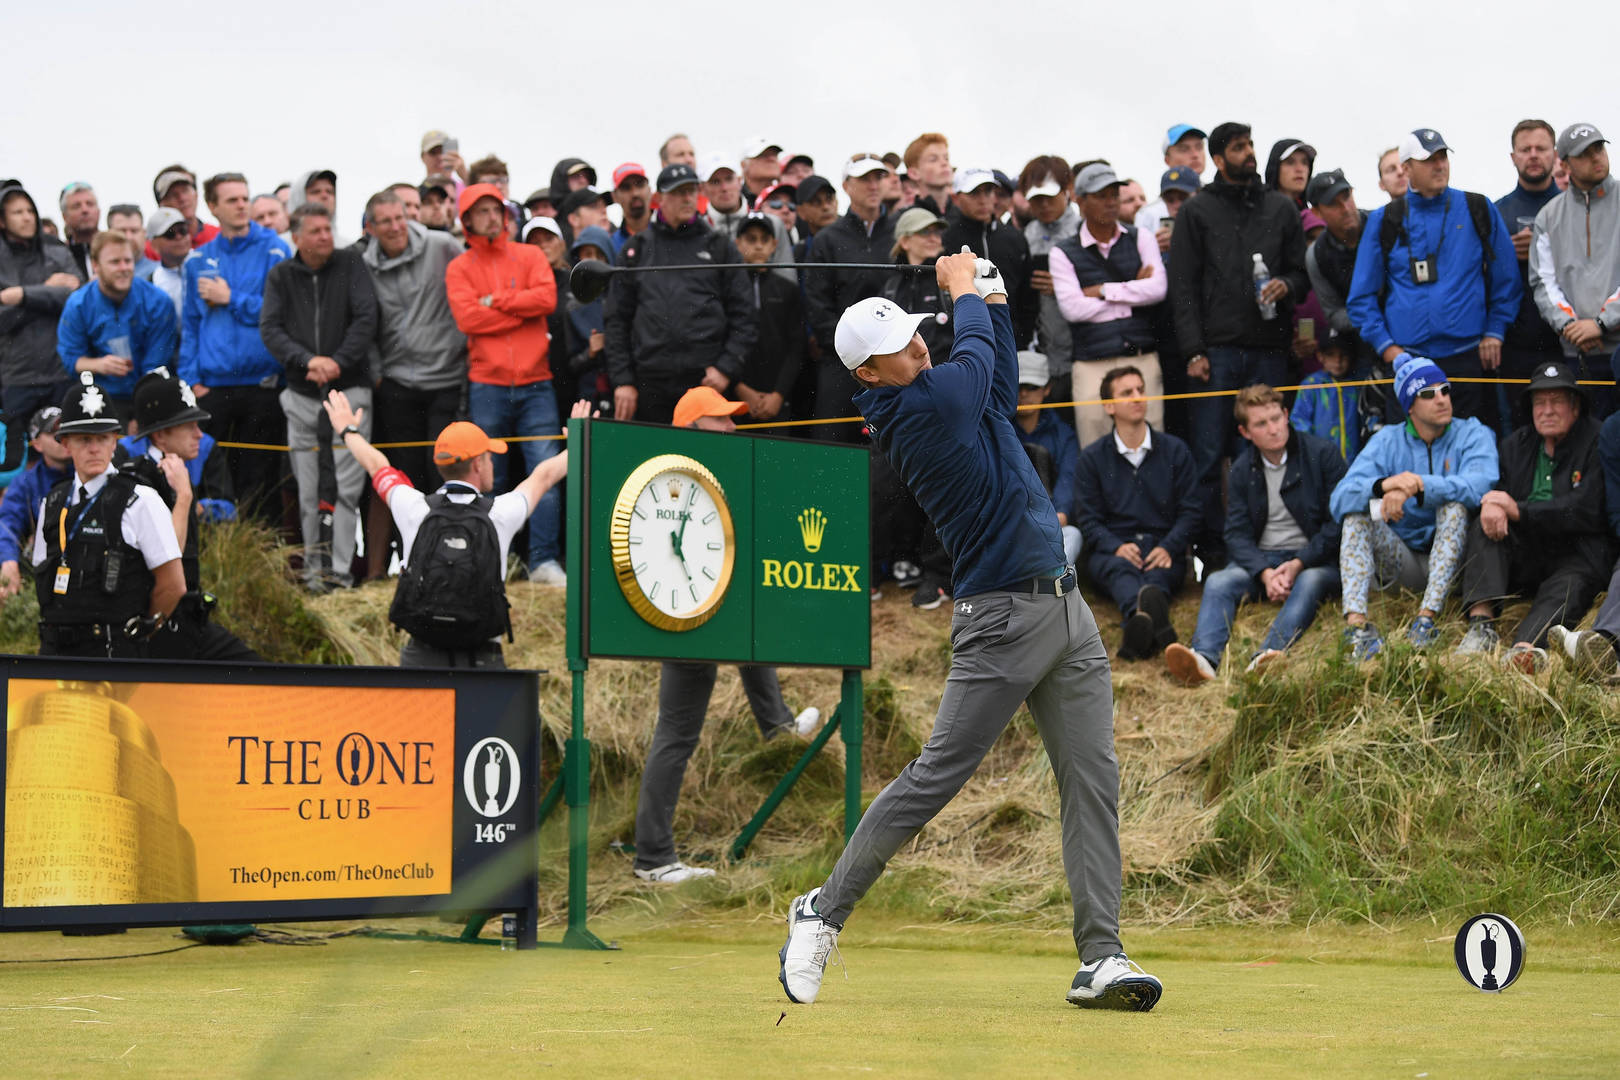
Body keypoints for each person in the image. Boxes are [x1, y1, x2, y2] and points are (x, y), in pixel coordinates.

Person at [778, 252, 1162, 1012]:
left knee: (1092, 782)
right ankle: (821, 913)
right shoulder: (915, 410)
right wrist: (963, 291)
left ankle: (1102, 958)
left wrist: (988, 287)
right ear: (869, 375)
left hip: (1066, 610)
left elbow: (996, 349)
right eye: (902, 348)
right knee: (934, 780)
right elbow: (979, 355)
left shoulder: (946, 388)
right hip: (1000, 620)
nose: (920, 346)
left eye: (920, 336)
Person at [634, 386, 821, 884]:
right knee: (675, 735)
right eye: (721, 420)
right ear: (692, 429)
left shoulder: (724, 474)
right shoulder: (675, 479)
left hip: (717, 608)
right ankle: (653, 858)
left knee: (750, 632)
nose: (733, 428)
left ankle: (776, 725)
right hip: (686, 615)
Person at [322, 389, 570, 669]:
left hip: (421, 656)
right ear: (477, 463)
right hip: (482, 658)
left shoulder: (412, 507)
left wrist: (347, 430)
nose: (491, 464)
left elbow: (376, 465)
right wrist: (579, 443)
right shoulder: (501, 513)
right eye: (489, 457)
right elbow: (544, 477)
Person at [1169, 122, 1308, 566]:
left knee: (1267, 450)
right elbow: (1183, 286)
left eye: (1250, 145)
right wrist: (1193, 350)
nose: (1248, 153)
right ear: (1217, 158)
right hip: (1216, 353)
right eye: (1238, 147)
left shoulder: (1280, 209)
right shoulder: (1196, 212)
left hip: (1269, 351)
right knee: (1210, 456)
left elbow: (1301, 275)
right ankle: (1212, 557)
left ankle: (1268, 547)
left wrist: (1285, 284)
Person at [1165, 384, 1345, 683]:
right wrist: (1264, 573)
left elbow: (1338, 523)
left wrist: (1299, 563)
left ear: (1287, 415)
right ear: (1246, 432)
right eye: (1261, 423)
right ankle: (1203, 660)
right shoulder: (1241, 469)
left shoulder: (1321, 454)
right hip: (1265, 560)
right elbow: (1236, 534)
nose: (1274, 429)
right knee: (1219, 581)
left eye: (1276, 418)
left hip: (1313, 559)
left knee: (1311, 580)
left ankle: (1265, 657)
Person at [1329, 353, 1498, 658]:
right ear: (1409, 406)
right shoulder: (1387, 441)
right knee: (1359, 515)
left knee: (1454, 507)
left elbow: (1481, 485)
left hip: (1458, 565)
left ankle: (1426, 620)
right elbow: (1339, 499)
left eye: (1445, 390)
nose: (1442, 400)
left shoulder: (1473, 432)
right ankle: (1357, 627)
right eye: (1428, 394)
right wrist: (1383, 486)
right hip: (1402, 563)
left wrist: (1419, 485)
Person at [1346, 129, 1520, 425]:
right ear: (1407, 168)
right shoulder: (1384, 220)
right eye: (1428, 160)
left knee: (1471, 449)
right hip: (1408, 361)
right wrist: (1387, 348)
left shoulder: (1477, 207)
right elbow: (1360, 297)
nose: (1439, 165)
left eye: (1442, 157)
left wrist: (1495, 330)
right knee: (1409, 456)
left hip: (1468, 358)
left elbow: (1507, 280)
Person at [1453, 361, 1609, 671]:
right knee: (1486, 524)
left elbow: (1588, 507)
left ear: (1575, 406)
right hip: (1527, 551)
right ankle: (1481, 626)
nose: (1547, 410)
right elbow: (1500, 495)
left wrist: (1518, 510)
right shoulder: (1516, 445)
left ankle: (1525, 649)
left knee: (1570, 582)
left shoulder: (1597, 440)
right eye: (1540, 402)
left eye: (1557, 401)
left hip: (1575, 551)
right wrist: (1494, 504)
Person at [445, 183, 564, 585]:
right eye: (481, 211)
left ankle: (543, 561)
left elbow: (546, 300)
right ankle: (494, 559)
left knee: (544, 469)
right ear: (467, 221)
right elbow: (467, 320)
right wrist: (519, 307)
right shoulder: (460, 268)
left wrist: (495, 301)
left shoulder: (530, 254)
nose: (492, 217)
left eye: (495, 209)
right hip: (488, 384)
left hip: (536, 382)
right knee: (486, 475)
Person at [260, 203, 379, 591]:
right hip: (301, 393)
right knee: (308, 490)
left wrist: (337, 363)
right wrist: (307, 360)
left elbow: (366, 318)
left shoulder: (351, 264)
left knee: (347, 489)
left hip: (350, 391)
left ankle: (340, 577)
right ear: (296, 237)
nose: (325, 236)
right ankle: (315, 577)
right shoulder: (281, 275)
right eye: (315, 231)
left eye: (327, 229)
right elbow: (271, 328)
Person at [31, 373, 185, 658]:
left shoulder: (141, 500)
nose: (94, 448)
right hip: (55, 652)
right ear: (66, 444)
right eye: (84, 438)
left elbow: (173, 585)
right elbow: (42, 575)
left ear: (115, 441)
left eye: (103, 438)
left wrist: (139, 633)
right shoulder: (52, 502)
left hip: (114, 652)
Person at [360, 188, 468, 577]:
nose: (395, 227)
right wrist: (375, 373)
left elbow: (468, 286)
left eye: (400, 217)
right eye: (385, 221)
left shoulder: (442, 246)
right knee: (405, 477)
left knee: (440, 469)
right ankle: (410, 563)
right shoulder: (364, 265)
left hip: (446, 376)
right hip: (397, 382)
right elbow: (364, 321)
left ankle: (445, 560)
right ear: (370, 227)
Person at [117, 368, 259, 661]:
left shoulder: (174, 470)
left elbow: (229, 510)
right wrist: (183, 498)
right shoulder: (141, 481)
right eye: (188, 426)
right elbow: (169, 558)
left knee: (254, 673)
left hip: (188, 617)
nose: (199, 434)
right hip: (163, 623)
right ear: (161, 435)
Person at [604, 163, 755, 428]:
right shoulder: (636, 250)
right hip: (650, 383)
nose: (687, 198)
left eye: (691, 190)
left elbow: (744, 314)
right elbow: (617, 320)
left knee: (707, 463)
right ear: (660, 197)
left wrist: (725, 368)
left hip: (706, 380)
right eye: (678, 192)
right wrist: (623, 380)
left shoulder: (719, 246)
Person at [180, 172, 293, 524]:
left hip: (262, 385)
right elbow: (191, 325)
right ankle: (221, 561)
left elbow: (281, 314)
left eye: (244, 198)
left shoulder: (275, 249)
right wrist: (191, 381)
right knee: (216, 479)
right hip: (213, 388)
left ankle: (261, 563)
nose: (242, 205)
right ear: (212, 207)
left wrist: (232, 299)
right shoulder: (198, 260)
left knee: (261, 481)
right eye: (232, 200)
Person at [1073, 365, 1200, 659]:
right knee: (1120, 572)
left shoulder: (1175, 451)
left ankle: (1138, 624)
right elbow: (1088, 519)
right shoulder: (1092, 459)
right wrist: (1115, 546)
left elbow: (1192, 510)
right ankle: (1153, 620)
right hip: (1113, 550)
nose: (1137, 397)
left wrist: (1169, 546)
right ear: (1109, 406)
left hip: (1162, 547)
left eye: (1141, 390)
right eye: (1127, 392)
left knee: (1159, 574)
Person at [1051, 163, 1167, 447]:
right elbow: (1072, 309)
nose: (1111, 201)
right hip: (1092, 362)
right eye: (1101, 195)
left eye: (1114, 194)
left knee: (1151, 446)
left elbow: (1157, 290)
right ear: (1080, 200)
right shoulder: (1062, 252)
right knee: (1094, 447)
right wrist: (1132, 295)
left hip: (1140, 357)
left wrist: (1102, 291)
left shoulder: (1142, 237)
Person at [803, 156, 899, 441]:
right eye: (864, 179)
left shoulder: (899, 234)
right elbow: (817, 308)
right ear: (846, 186)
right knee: (834, 446)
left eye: (877, 178)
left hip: (893, 362)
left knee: (890, 451)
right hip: (841, 362)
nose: (872, 185)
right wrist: (858, 349)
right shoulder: (828, 240)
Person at [1530, 123, 1620, 423]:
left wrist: (1601, 324)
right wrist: (1571, 326)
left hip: (1616, 343)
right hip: (1577, 353)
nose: (1597, 157)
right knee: (1589, 446)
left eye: (1599, 148)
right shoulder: (1549, 216)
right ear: (1565, 164)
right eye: (1585, 153)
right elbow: (1543, 282)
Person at [2, 179, 82, 471]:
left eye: (29, 211)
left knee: (65, 453)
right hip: (17, 377)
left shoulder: (56, 251)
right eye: (17, 212)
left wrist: (22, 295)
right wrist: (48, 292)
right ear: (2, 219)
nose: (26, 218)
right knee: (14, 462)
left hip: (59, 371)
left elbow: (76, 294)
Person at [56, 231, 179, 417]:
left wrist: (142, 413)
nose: (124, 268)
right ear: (96, 265)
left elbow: (156, 363)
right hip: (100, 395)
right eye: (115, 262)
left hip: (151, 390)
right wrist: (99, 365)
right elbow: (71, 359)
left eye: (128, 261)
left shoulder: (158, 301)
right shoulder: (79, 304)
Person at [1496, 120, 1566, 428]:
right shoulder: (1496, 213)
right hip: (1515, 344)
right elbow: (1483, 276)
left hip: (1567, 340)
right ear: (1513, 157)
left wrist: (1545, 249)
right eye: (1525, 149)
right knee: (1520, 430)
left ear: (1556, 154)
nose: (1533, 155)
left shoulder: (1573, 208)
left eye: (1541, 148)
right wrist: (1506, 255)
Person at [943, 167, 1036, 347]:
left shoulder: (1014, 237)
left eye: (988, 191)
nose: (983, 200)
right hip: (960, 341)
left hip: (1009, 340)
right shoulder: (945, 238)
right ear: (956, 198)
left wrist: (1021, 338)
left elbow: (1027, 296)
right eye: (974, 193)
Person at [732, 214, 805, 423]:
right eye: (751, 239)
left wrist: (779, 393)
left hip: (777, 397)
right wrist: (739, 388)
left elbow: (796, 345)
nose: (758, 246)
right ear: (738, 243)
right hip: (737, 395)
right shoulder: (728, 288)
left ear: (774, 245)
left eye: (764, 240)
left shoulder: (787, 289)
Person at [1014, 350, 1082, 564]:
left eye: (1032, 387)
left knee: (1073, 535)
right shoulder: (997, 428)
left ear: (1047, 389)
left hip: (1052, 523)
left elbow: (1068, 479)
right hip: (1008, 523)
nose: (1024, 393)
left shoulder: (1064, 434)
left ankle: (1050, 582)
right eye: (1018, 386)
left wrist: (1059, 514)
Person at [0, 407, 70, 600]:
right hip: (44, 567)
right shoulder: (25, 483)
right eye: (52, 432)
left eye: (64, 430)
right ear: (37, 443)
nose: (61, 437)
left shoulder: (92, 470)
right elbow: (7, 525)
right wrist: (8, 561)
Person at [1020, 156, 1081, 365]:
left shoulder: (1085, 230)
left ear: (1067, 190)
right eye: (1037, 198)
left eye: (1050, 196)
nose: (1044, 205)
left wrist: (1065, 287)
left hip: (1081, 345)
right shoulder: (1026, 234)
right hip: (1041, 346)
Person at [1289, 331, 1361, 460]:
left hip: (1354, 461)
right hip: (1321, 460)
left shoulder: (1356, 384)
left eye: (1343, 355)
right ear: (1320, 356)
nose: (1337, 361)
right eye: (1331, 355)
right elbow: (1299, 421)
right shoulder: (1311, 385)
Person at [1135, 124, 1207, 240]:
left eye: (1199, 147)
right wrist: (1153, 248)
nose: (1195, 155)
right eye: (1184, 149)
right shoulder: (1148, 214)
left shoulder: (1219, 201)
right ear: (1167, 159)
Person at [151, 165, 220, 253]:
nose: (182, 198)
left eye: (185, 190)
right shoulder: (151, 250)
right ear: (161, 205)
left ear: (196, 194)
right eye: (173, 194)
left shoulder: (219, 236)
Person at [143, 207, 190, 318]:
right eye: (170, 233)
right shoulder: (152, 282)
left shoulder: (209, 265)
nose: (178, 237)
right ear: (153, 245)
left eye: (182, 230)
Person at [902, 132, 953, 215]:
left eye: (946, 158)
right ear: (914, 173)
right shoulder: (904, 220)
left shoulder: (968, 216)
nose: (944, 163)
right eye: (933, 159)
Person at [58, 182, 100, 279]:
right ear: (65, 217)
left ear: (98, 211)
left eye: (90, 204)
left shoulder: (116, 249)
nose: (85, 210)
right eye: (76, 206)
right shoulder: (57, 257)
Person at [609, 163, 651, 258]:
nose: (635, 193)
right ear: (614, 197)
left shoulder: (668, 237)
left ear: (649, 190)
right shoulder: (610, 246)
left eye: (640, 185)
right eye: (626, 188)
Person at [106, 204, 158, 279]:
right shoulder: (100, 277)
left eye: (134, 231)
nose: (128, 237)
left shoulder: (161, 274)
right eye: (122, 231)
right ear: (108, 235)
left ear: (144, 233)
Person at [1263, 139, 1315, 210]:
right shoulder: (1255, 212)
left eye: (1304, 163)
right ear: (1275, 169)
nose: (1299, 169)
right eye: (1290, 162)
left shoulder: (1314, 218)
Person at [739, 137, 783, 205]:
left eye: (775, 155)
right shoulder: (735, 202)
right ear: (744, 165)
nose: (772, 159)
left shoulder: (789, 199)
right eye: (763, 155)